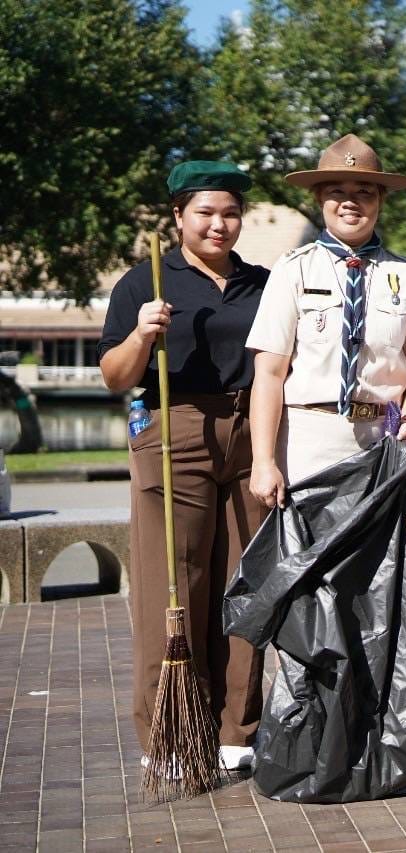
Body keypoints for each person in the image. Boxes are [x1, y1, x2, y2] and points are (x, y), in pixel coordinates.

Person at [99, 160, 269, 771]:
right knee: (174, 580)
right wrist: (142, 335)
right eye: (205, 213)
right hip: (175, 427)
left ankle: (236, 731)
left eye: (230, 213)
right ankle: (170, 732)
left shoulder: (262, 283)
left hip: (252, 428)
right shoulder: (144, 281)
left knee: (245, 581)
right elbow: (115, 376)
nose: (219, 224)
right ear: (178, 216)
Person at [246, 134, 406, 506]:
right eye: (336, 191)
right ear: (319, 198)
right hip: (306, 442)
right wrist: (263, 462)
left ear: (380, 200)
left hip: (380, 440)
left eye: (364, 192)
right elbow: (269, 374)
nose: (350, 201)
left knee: (377, 544)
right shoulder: (293, 269)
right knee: (306, 544)